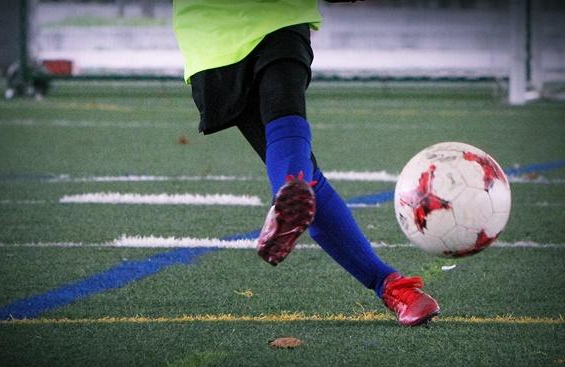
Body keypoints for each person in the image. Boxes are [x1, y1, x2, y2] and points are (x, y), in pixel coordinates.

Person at [172, 0, 440, 326]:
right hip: (217, 32)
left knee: (295, 158)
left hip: (257, 21)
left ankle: (388, 284)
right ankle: (383, 280)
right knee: (302, 169)